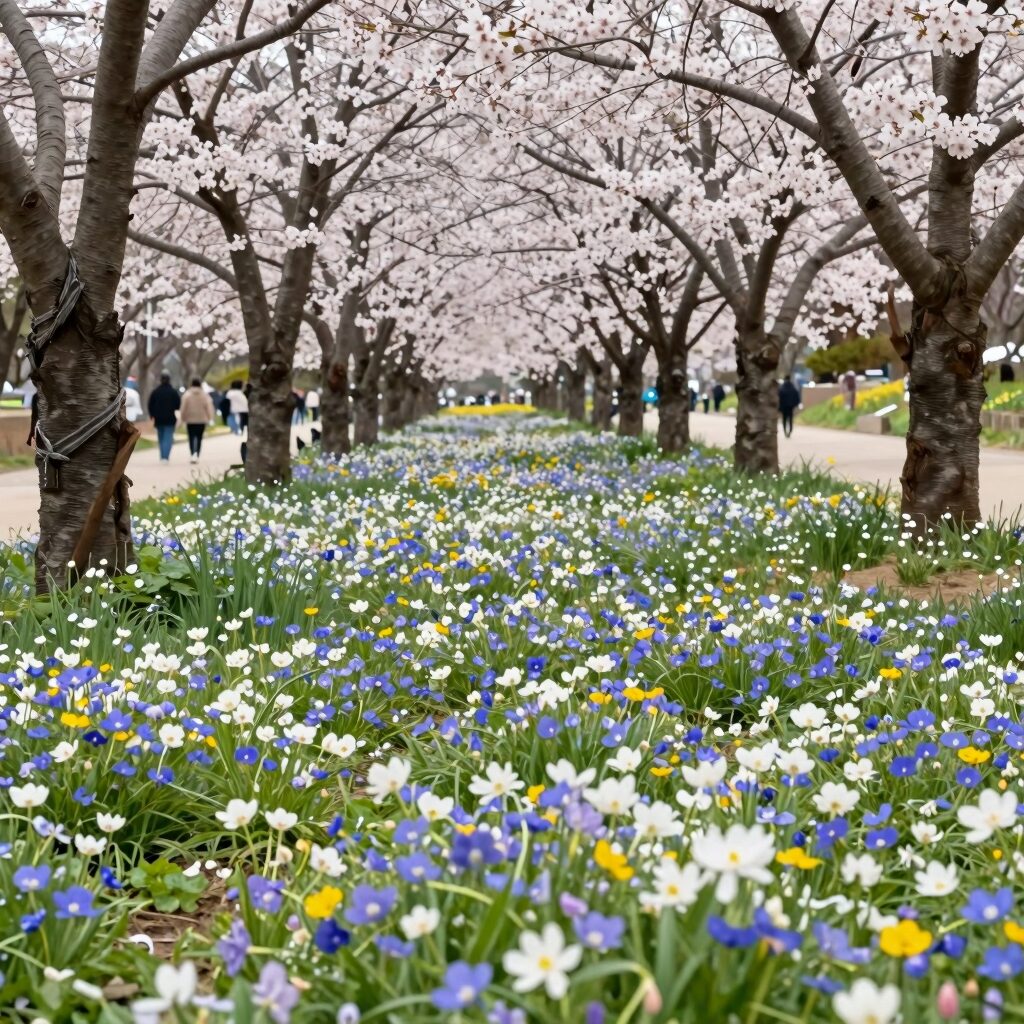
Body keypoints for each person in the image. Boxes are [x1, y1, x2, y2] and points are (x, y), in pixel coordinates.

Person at [180, 377, 215, 463]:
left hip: (190, 420)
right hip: (201, 420)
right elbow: (209, 408)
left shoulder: (187, 395)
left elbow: (183, 408)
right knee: (199, 438)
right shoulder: (205, 395)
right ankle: (197, 454)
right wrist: (210, 418)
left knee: (191, 437)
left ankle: (192, 454)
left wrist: (182, 418)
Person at [148, 371, 180, 461]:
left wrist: (152, 415)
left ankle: (162, 455)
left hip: (158, 418)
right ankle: (165, 457)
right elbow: (178, 405)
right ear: (169, 380)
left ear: (160, 380)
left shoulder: (155, 392)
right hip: (170, 418)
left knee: (161, 437)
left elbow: (150, 404)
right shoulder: (173, 392)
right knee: (168, 437)